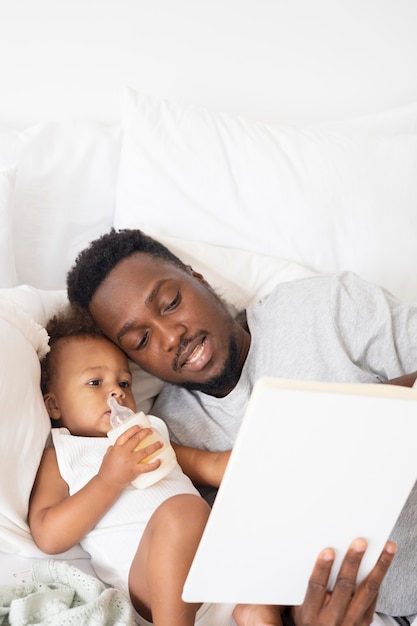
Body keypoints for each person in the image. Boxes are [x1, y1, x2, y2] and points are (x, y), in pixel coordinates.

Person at [66, 228, 414, 626]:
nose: (171, 335)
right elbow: (249, 588)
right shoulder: (170, 444)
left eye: (170, 303)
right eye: (142, 339)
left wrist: (351, 418)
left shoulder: (325, 306)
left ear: (198, 280)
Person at [28, 307, 237, 626]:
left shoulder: (150, 430)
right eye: (95, 382)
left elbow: (210, 465)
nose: (116, 393)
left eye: (124, 383)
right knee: (183, 511)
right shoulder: (63, 455)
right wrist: (108, 480)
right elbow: (48, 535)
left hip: (221, 570)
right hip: (154, 590)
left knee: (252, 516)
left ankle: (259, 611)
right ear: (54, 404)